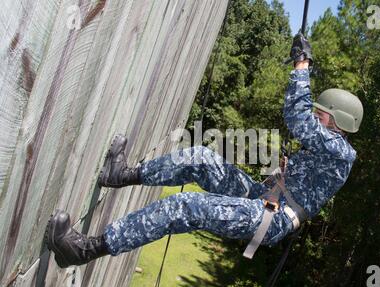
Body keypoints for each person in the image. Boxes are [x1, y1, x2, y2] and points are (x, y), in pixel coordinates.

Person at [46, 33, 363, 268]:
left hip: (272, 217)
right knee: (201, 158)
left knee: (185, 206)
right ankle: (122, 174)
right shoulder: (327, 150)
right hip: (262, 197)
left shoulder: (340, 152)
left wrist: (301, 64)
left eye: (321, 115)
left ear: (340, 123)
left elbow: (297, 116)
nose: (316, 120)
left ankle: (84, 250)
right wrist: (284, 173)